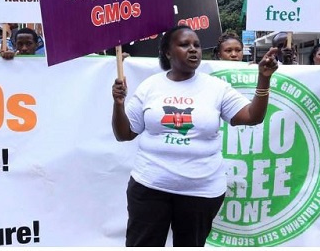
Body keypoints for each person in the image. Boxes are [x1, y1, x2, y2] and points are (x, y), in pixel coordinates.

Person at [111, 25, 279, 247]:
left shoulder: (216, 88)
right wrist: (118, 104)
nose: (193, 50)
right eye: (184, 45)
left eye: (197, 45)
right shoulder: (150, 86)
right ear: (168, 52)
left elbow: (252, 117)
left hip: (200, 191)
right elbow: (124, 134)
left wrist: (263, 79)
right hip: (150, 187)